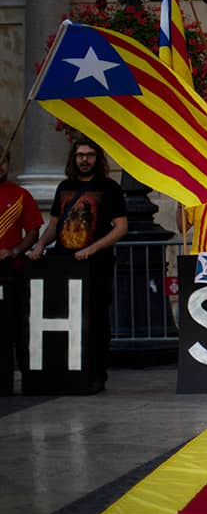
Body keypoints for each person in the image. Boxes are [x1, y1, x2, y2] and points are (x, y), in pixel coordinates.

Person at [26, 138, 128, 394]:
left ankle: (96, 375)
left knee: (95, 321)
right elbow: (54, 225)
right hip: (63, 266)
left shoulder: (110, 188)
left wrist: (92, 248)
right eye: (80, 155)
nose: (85, 160)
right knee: (65, 318)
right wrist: (40, 246)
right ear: (73, 158)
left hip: (97, 266)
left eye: (90, 155)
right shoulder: (64, 187)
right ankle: (66, 373)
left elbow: (121, 227)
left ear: (98, 159)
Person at [0, 150, 44, 383]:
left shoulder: (20, 195)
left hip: (12, 272)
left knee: (16, 325)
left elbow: (34, 230)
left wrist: (15, 251)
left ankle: (18, 377)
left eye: (3, 161)